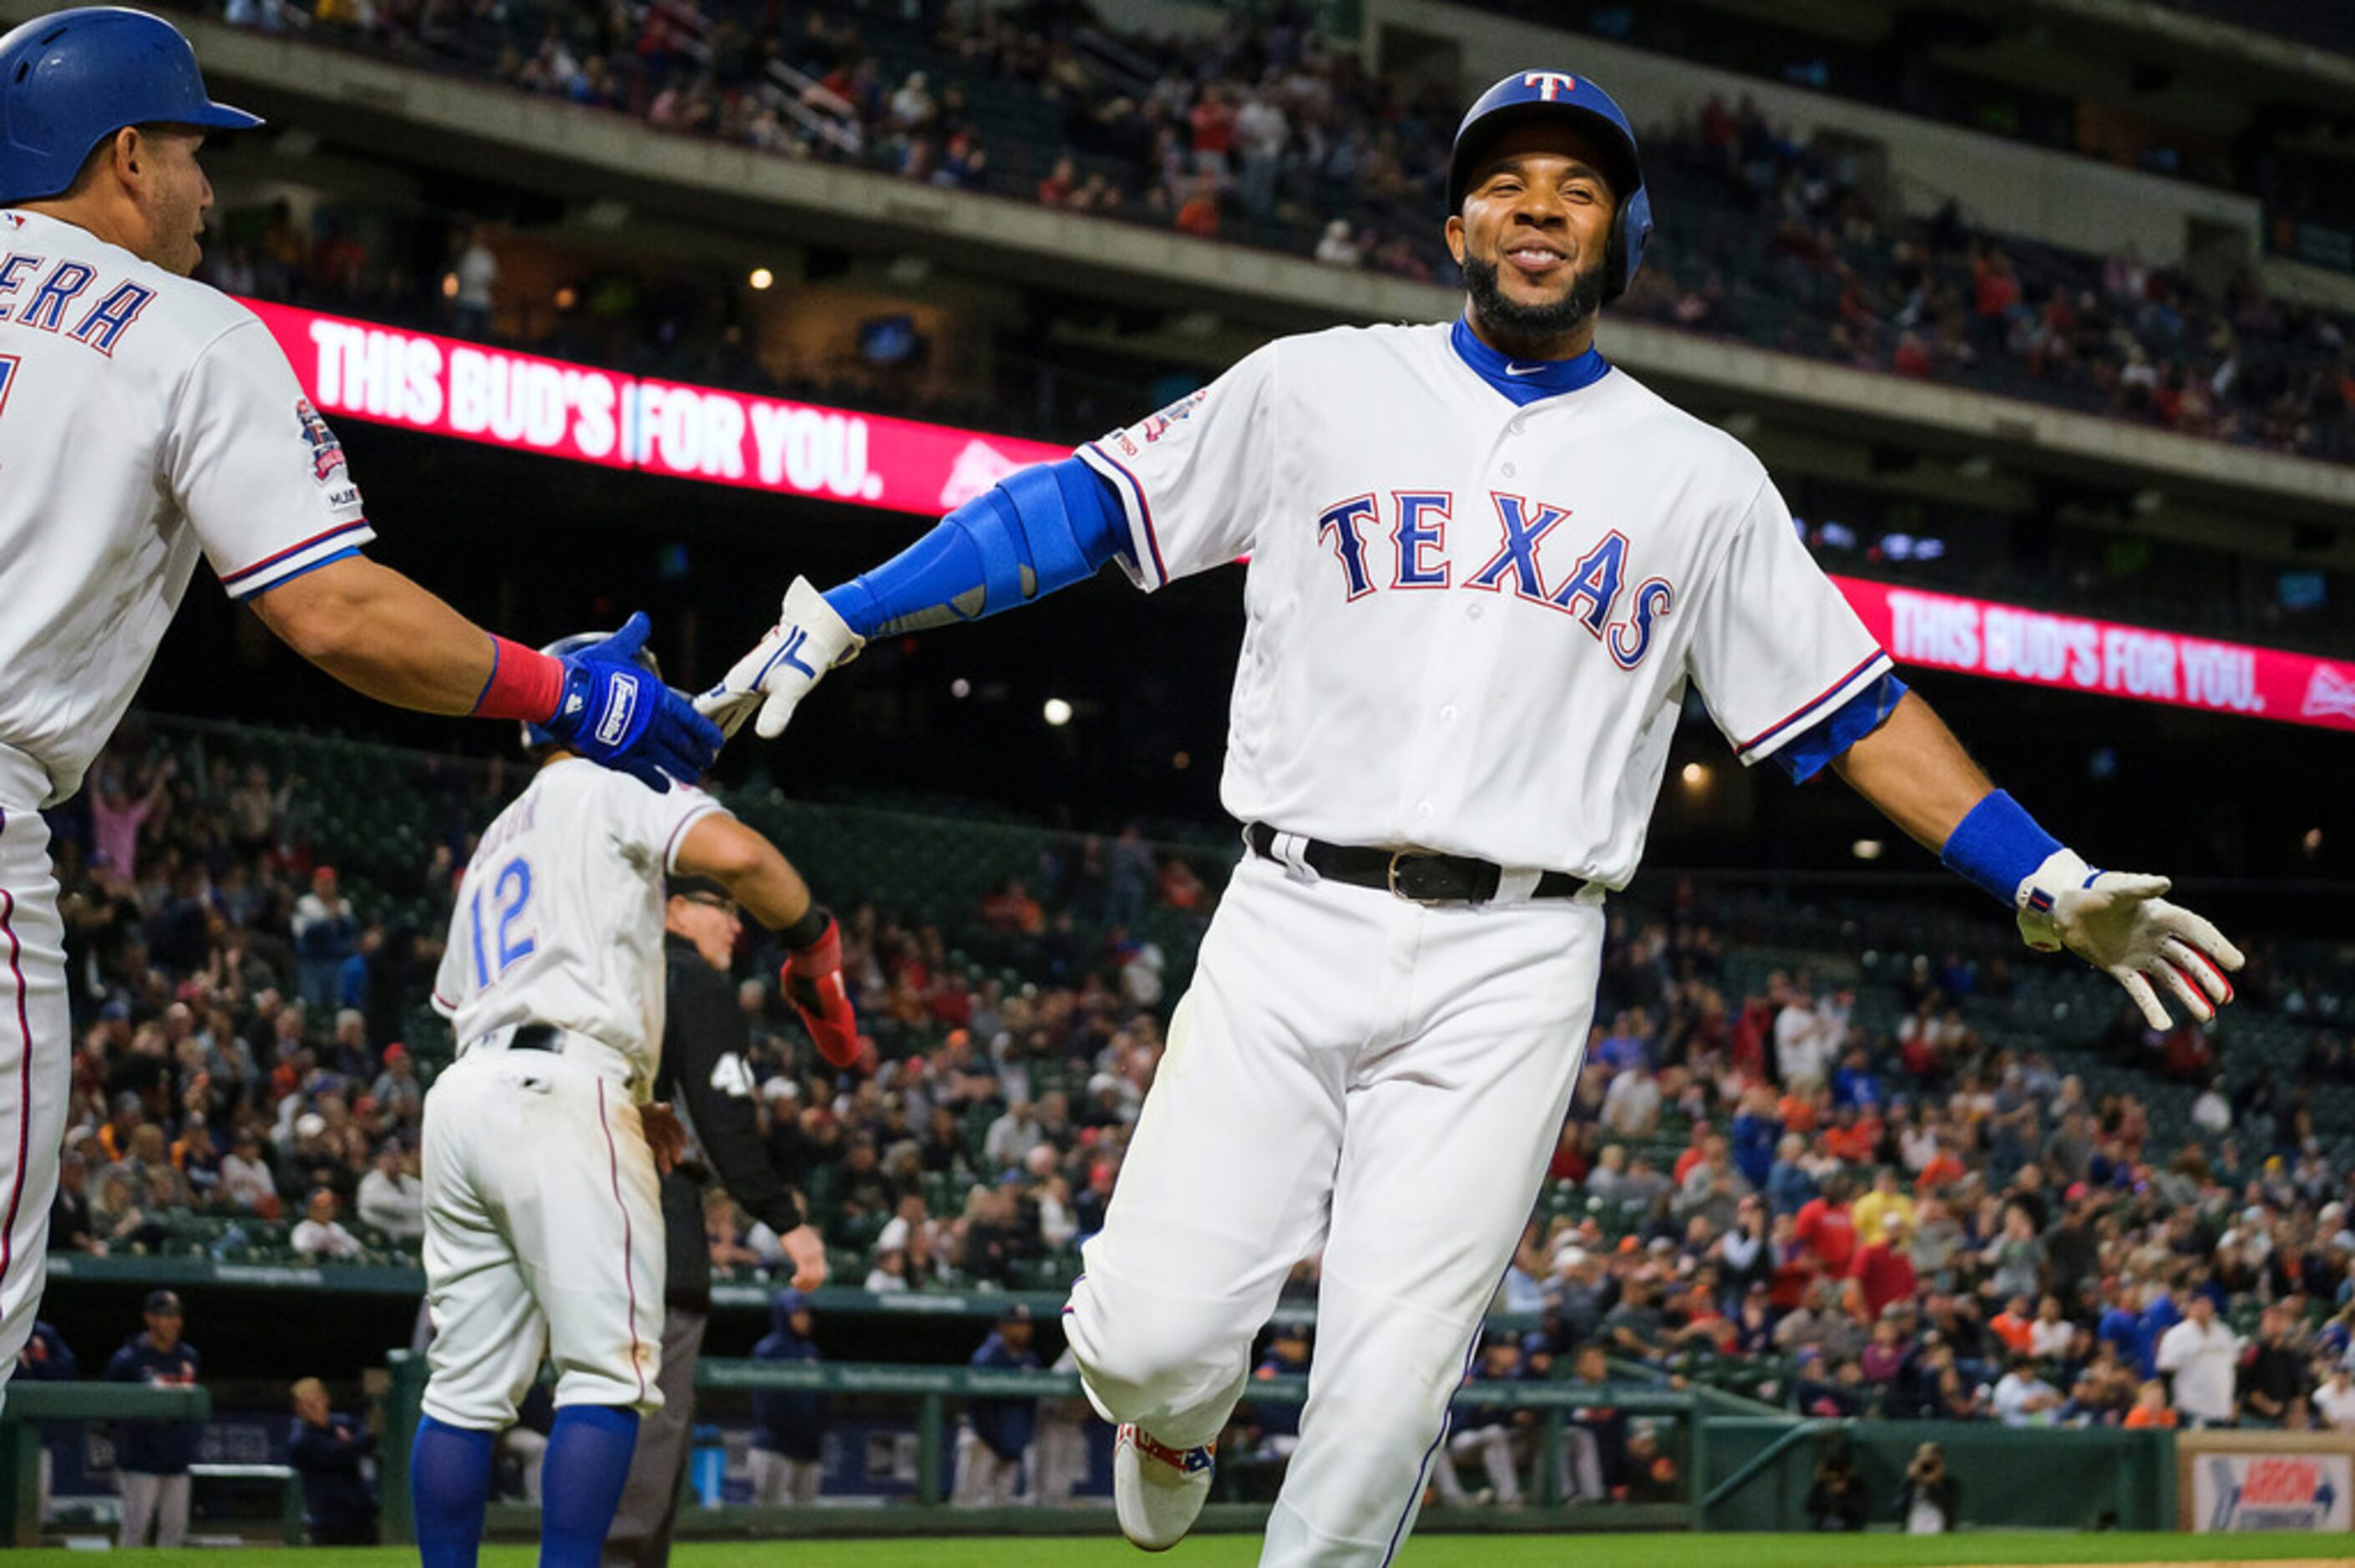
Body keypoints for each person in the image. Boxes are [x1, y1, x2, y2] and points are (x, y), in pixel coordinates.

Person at [696, 67, 2244, 1565]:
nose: (1538, 208)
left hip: (1518, 958)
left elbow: (1850, 711)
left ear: (1620, 240)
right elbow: (1089, 505)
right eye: (1503, 183)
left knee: (1382, 1411)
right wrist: (856, 610)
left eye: (1578, 190)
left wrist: (2044, 870)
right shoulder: (1319, 382)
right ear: (1456, 229)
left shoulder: (1699, 480)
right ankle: (1174, 1416)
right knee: (1149, 1339)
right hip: (1289, 910)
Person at [0, 5, 720, 1409]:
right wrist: (564, 689)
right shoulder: (185, 330)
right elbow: (329, 609)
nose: (213, 186)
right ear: (127, 156)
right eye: (199, 152)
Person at [413, 637, 845, 1568]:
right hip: (565, 1087)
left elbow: (459, 1002)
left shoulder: (498, 834)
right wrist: (812, 936)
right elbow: (742, 858)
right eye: (639, 680)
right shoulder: (614, 785)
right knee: (608, 1378)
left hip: (463, 1096)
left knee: (460, 1394)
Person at [606, 873, 834, 1567]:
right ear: (675, 909)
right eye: (721, 911)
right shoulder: (692, 982)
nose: (736, 928)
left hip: (578, 1201)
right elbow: (726, 1120)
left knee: (606, 1405)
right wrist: (785, 1218)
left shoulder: (613, 970)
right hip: (652, 1217)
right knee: (650, 1413)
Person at [104, 1290, 200, 1548]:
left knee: (175, 1532)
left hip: (177, 1459)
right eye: (165, 1316)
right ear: (149, 1318)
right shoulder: (128, 1359)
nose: (173, 1322)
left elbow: (194, 1408)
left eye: (176, 1315)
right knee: (135, 1531)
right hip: (140, 1460)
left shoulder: (188, 1357)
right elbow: (108, 1407)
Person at [955, 1302, 1041, 1506]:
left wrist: (1016, 1444)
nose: (1023, 1329)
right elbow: (980, 1407)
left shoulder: (1031, 1360)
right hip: (983, 1439)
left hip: (1012, 1444)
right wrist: (999, 1442)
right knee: (967, 1506)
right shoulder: (987, 1356)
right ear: (1003, 1327)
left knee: (1001, 1511)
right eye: (1016, 1324)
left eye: (1026, 1324)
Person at [747, 1288, 828, 1505]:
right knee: (768, 1519)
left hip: (807, 1448)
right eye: (797, 1313)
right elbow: (765, 1403)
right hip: (774, 1447)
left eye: (806, 1313)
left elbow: (821, 1400)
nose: (804, 1319)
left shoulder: (812, 1352)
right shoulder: (768, 1351)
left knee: (804, 1522)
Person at [286, 1376, 377, 1545]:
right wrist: (350, 1444)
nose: (314, 1408)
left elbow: (368, 1437)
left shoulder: (342, 1421)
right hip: (326, 1517)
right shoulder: (301, 1438)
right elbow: (340, 1455)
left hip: (360, 1510)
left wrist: (353, 1443)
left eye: (317, 1401)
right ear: (298, 1408)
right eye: (307, 1404)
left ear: (326, 1399)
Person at [2155, 1294, 2242, 1427]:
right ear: (2190, 1308)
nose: (2203, 1309)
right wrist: (2169, 1406)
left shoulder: (2224, 1333)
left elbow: (2234, 1369)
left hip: (2222, 1410)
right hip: (2192, 1410)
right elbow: (2166, 1372)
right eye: (2198, 1304)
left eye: (2206, 1304)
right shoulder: (2177, 1335)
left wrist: (2234, 1402)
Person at [1892, 1440, 1958, 1534]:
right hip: (1913, 1529)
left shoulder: (1950, 1484)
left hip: (1941, 1531)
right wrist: (1910, 1480)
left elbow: (1950, 1507)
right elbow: (1896, 1504)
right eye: (1922, 1456)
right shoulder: (1912, 1484)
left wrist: (1933, 1483)